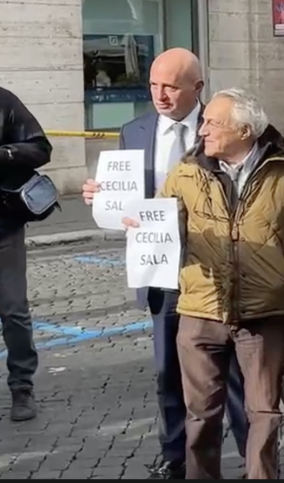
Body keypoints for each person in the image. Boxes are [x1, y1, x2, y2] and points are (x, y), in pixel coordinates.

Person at [125, 88, 284, 479]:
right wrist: (144, 224)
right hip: (199, 310)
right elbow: (165, 223)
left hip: (264, 312)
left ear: (244, 130)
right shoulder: (187, 170)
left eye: (213, 122)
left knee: (264, 411)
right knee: (200, 415)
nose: (203, 129)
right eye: (204, 121)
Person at [80, 48, 249, 479]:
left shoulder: (223, 128)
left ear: (198, 88)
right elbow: (127, 203)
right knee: (167, 370)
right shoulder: (133, 131)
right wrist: (104, 199)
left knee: (230, 371)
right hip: (160, 271)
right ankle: (176, 455)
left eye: (171, 86)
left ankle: (254, 455)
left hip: (216, 270)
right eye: (154, 85)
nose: (161, 94)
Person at [0, 85, 52, 423]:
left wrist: (5, 154)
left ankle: (22, 387)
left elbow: (40, 148)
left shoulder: (4, 102)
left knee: (13, 311)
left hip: (2, 227)